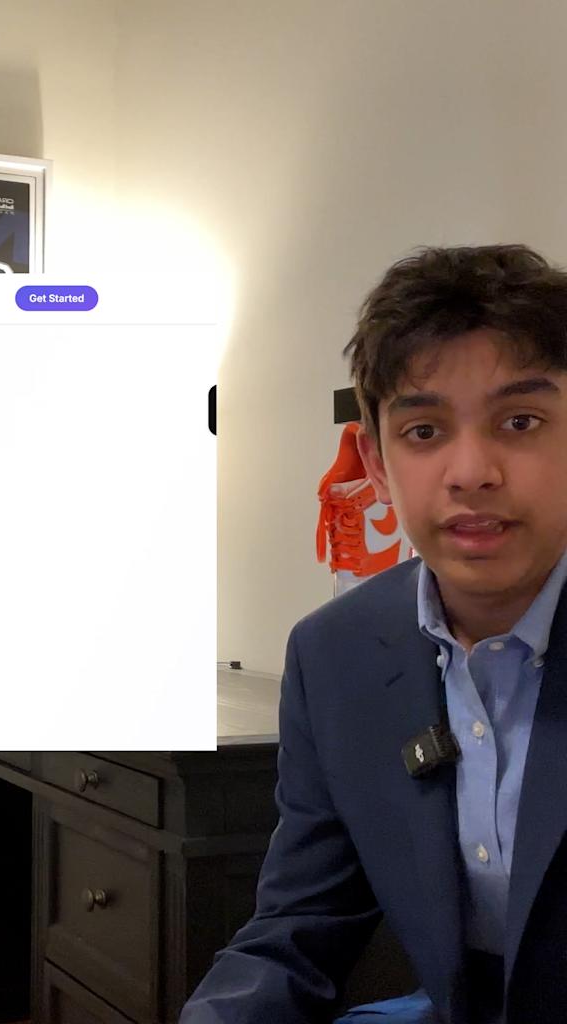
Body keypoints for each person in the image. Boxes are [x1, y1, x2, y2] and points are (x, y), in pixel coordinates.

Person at [183, 244, 567, 1024]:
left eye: (520, 421)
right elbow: (300, 923)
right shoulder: (335, 655)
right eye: (423, 431)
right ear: (377, 462)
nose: (470, 471)